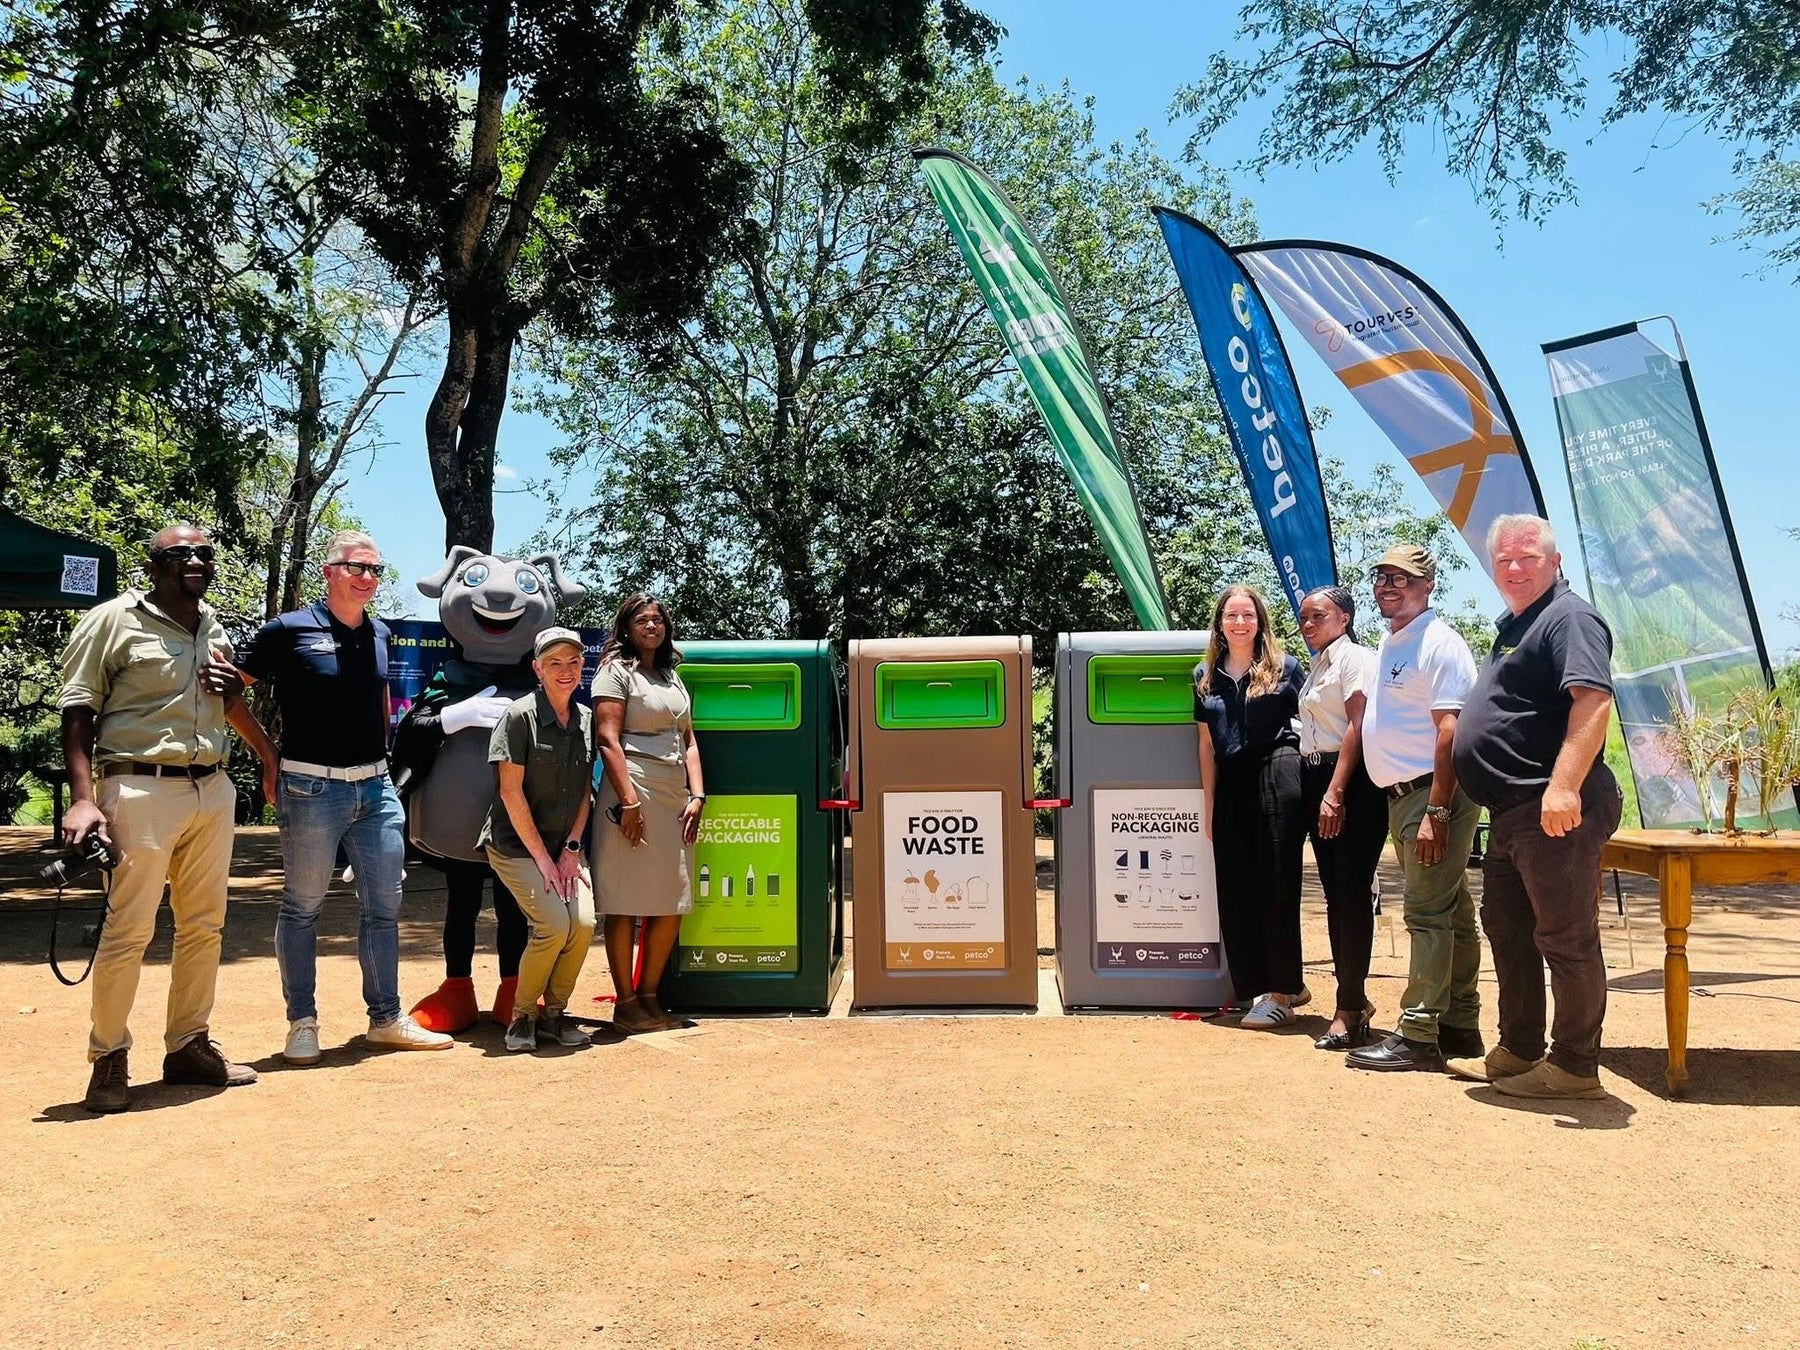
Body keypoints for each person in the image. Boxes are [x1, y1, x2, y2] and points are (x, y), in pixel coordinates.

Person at [57, 525, 267, 1113]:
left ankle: (188, 1045)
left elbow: (226, 702)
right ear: (153, 565)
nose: (196, 561)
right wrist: (83, 798)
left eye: (205, 553)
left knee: (205, 925)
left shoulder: (213, 626)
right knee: (129, 929)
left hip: (211, 787)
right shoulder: (111, 620)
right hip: (138, 787)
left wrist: (261, 745)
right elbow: (77, 710)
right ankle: (109, 1058)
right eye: (181, 554)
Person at [234, 530, 451, 1062]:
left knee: (384, 907)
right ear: (329, 572)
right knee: (302, 907)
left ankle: (385, 1018)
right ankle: (302, 1023)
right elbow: (228, 690)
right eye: (356, 567)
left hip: (374, 788)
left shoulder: (379, 633)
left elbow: (379, 696)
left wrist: (386, 766)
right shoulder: (287, 629)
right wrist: (268, 756)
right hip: (309, 786)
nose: (367, 577)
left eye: (375, 570)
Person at [1448, 515, 1623, 1100]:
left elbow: (1593, 700)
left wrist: (1565, 785)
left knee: (1565, 937)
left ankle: (1575, 1064)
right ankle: (1519, 1051)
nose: (1514, 567)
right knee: (1508, 930)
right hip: (1511, 812)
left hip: (1554, 807)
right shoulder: (1517, 625)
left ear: (1555, 562)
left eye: (1527, 556)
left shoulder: (1569, 617)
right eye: (1503, 560)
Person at [1345, 544, 1484, 1073]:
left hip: (1432, 794)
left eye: (1400, 578)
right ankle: (1460, 1025)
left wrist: (1439, 811)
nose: (1387, 585)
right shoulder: (1392, 642)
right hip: (1404, 797)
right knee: (1452, 913)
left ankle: (1419, 1032)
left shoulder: (1439, 643)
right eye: (1381, 576)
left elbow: (1450, 731)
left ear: (1427, 585)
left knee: (1426, 914)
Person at [1194, 585, 1309, 1028]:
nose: (1240, 623)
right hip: (1231, 781)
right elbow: (1206, 747)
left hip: (1277, 771)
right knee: (1236, 886)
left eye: (1248, 615)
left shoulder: (1286, 669)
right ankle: (1265, 986)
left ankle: (1279, 993)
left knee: (1276, 883)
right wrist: (1209, 803)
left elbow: (1316, 722)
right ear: (1220, 623)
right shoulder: (1204, 675)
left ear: (1260, 621)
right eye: (1231, 615)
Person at [591, 594, 705, 1035]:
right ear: (627, 627)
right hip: (631, 793)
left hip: (675, 797)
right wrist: (629, 803)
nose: (652, 626)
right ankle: (626, 1003)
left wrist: (698, 794)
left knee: (670, 902)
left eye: (658, 620)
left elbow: (690, 739)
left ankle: (651, 998)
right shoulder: (614, 673)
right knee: (625, 902)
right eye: (643, 620)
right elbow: (607, 739)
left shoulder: (671, 675)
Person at [480, 627, 598, 1052]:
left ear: (582, 666)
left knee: (583, 924)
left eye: (572, 662)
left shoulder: (587, 721)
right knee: (553, 924)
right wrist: (544, 862)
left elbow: (585, 791)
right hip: (515, 845)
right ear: (537, 668)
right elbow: (510, 794)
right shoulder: (518, 717)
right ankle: (523, 1016)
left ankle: (555, 1014)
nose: (565, 671)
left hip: (563, 847)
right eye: (554, 663)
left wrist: (570, 850)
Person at [1296, 585, 1390, 1050]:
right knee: (1336, 897)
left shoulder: (1357, 659)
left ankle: (1350, 1009)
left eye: (1318, 616)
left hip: (1348, 783)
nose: (1308, 625)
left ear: (1345, 617)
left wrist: (1335, 792)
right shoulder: (1317, 667)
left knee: (1351, 895)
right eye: (1303, 618)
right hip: (1318, 779)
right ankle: (1353, 999)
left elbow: (1358, 724)